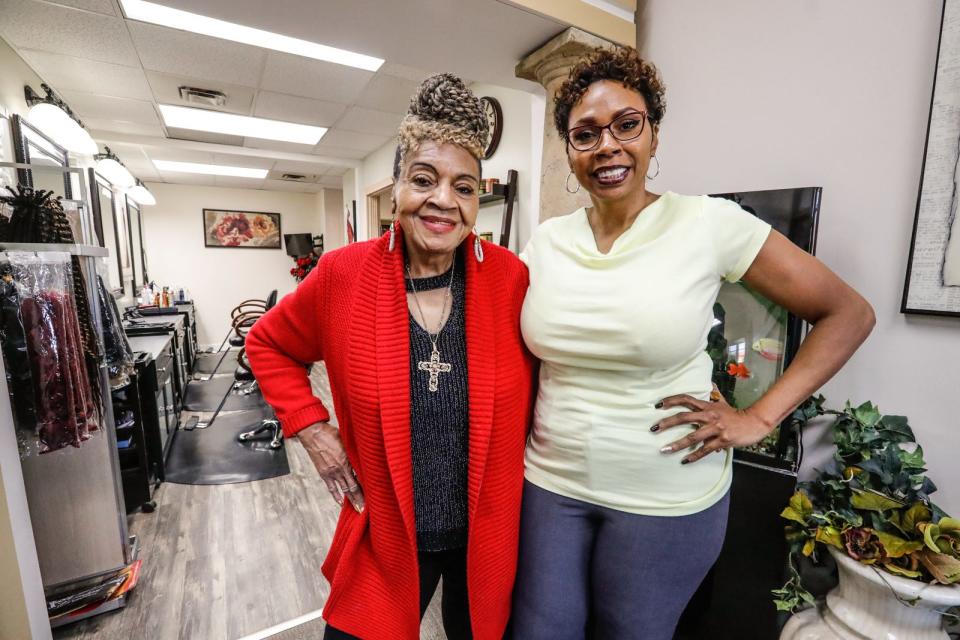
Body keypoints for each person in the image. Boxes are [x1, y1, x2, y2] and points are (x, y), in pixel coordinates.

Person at [510, 47, 876, 640]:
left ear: (653, 133)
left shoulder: (709, 224)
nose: (607, 146)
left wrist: (758, 417)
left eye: (627, 125)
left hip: (664, 494)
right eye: (585, 134)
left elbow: (847, 313)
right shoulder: (548, 240)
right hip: (550, 484)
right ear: (569, 149)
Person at [245, 74, 535, 640]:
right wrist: (312, 430)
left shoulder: (510, 280)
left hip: (488, 535)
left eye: (465, 187)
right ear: (398, 185)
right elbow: (268, 344)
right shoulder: (342, 276)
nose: (443, 201)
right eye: (424, 180)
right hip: (387, 533)